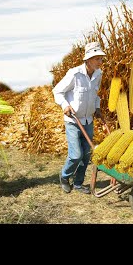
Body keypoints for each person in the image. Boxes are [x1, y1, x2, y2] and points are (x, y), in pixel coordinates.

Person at [52, 42, 106, 194]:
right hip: (73, 121)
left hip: (88, 120)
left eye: (101, 59)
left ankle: (78, 183)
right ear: (88, 60)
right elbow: (57, 91)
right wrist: (65, 106)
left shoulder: (98, 74)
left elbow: (95, 94)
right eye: (97, 59)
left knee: (86, 154)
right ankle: (64, 176)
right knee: (76, 155)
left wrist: (97, 107)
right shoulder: (74, 74)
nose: (100, 62)